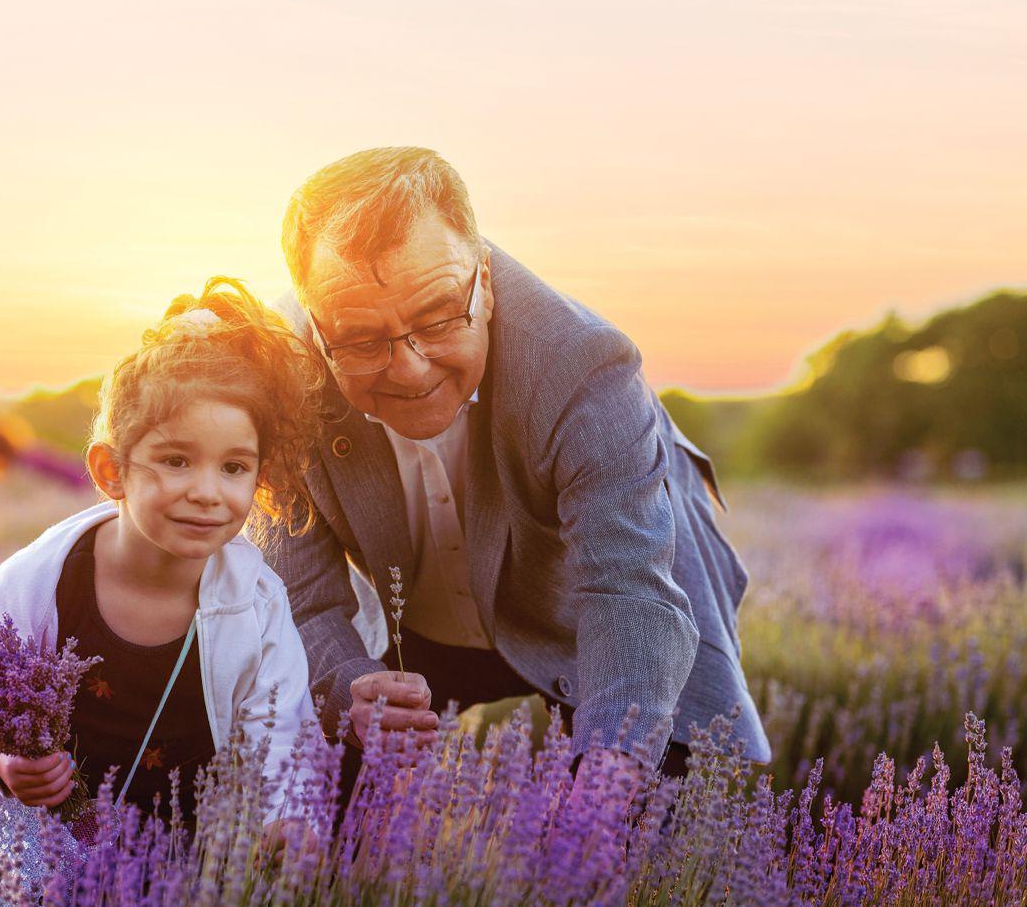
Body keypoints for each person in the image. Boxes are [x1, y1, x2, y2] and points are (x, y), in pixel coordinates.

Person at [258, 147, 769, 794]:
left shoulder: (583, 362)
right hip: (409, 614)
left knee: (641, 824)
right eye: (362, 341)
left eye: (439, 317)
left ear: (486, 280)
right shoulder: (275, 376)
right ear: (313, 324)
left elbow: (626, 589)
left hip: (593, 606)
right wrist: (345, 686)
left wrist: (609, 777)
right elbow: (299, 600)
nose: (412, 369)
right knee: (324, 805)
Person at [0, 279, 321, 899]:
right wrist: (4, 763)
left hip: (182, 847)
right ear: (112, 470)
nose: (207, 491)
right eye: (175, 461)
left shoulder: (255, 600)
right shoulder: (43, 579)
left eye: (234, 467)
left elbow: (284, 728)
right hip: (44, 838)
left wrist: (287, 820)